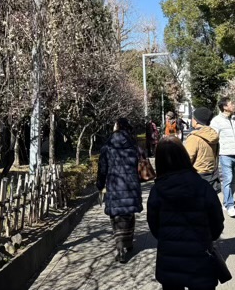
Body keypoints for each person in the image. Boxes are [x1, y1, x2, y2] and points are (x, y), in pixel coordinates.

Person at [147, 137, 225, 290]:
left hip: (170, 260)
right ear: (184, 157)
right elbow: (217, 220)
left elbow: (154, 225)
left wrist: (168, 238)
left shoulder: (157, 190)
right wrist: (210, 237)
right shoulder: (202, 186)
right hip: (200, 258)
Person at [96, 117, 143, 263]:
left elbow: (102, 169)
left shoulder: (107, 147)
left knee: (116, 217)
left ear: (116, 127)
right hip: (131, 185)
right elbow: (142, 163)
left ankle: (120, 247)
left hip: (115, 186)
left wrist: (100, 185)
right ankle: (128, 243)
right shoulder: (134, 145)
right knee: (128, 215)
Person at [184, 107, 220, 192]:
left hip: (197, 175)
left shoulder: (194, 137)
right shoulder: (213, 135)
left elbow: (187, 159)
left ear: (196, 121)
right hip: (212, 174)